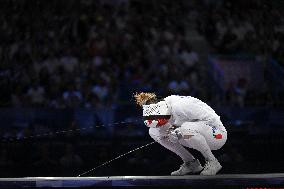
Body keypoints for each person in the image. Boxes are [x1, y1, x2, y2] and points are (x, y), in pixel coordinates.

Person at [134, 92, 227, 176]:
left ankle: (212, 161)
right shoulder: (165, 107)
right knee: (154, 132)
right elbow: (177, 123)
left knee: (186, 128)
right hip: (191, 133)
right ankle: (191, 163)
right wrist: (174, 131)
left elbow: (208, 121)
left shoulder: (181, 106)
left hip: (216, 135)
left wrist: (179, 132)